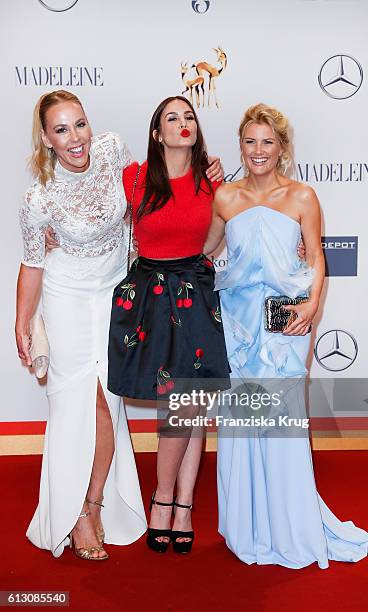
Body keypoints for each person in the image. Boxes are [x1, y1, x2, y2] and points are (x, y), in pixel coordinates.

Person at [205, 103, 368, 567]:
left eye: (267, 142)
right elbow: (205, 249)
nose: (258, 151)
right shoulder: (226, 198)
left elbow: (316, 259)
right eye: (250, 141)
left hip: (287, 321)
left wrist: (312, 304)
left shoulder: (303, 197)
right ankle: (248, 524)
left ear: (282, 147)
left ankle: (288, 524)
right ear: (241, 145)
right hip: (240, 323)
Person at [15, 90, 149, 560]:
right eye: (62, 129)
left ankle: (93, 504)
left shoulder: (113, 150)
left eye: (80, 124)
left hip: (115, 291)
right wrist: (22, 322)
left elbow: (145, 203)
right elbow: (32, 264)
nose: (76, 138)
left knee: (109, 400)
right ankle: (79, 513)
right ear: (47, 139)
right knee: (84, 400)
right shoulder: (39, 198)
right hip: (66, 295)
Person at [108, 96, 230, 554]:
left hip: (195, 292)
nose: (184, 124)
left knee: (192, 403)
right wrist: (53, 232)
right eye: (172, 118)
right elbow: (102, 222)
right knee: (178, 406)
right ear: (156, 133)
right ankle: (166, 498)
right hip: (151, 297)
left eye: (190, 116)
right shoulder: (133, 177)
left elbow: (218, 238)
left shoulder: (213, 182)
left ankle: (179, 503)